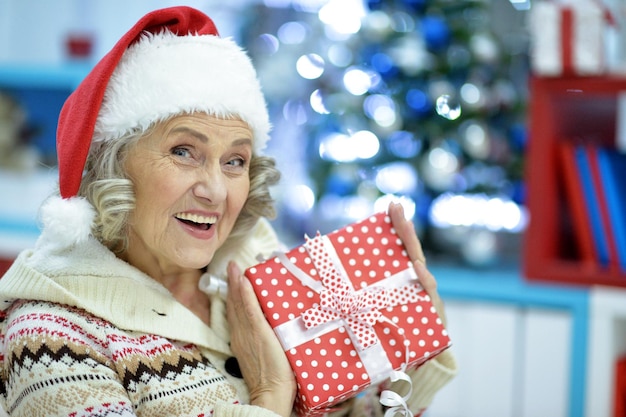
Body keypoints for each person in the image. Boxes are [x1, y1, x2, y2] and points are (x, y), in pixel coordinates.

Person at [0, 6, 457, 417]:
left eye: (235, 160)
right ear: (112, 166)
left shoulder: (263, 271)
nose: (217, 191)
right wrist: (271, 396)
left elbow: (350, 412)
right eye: (183, 151)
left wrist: (410, 363)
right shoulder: (49, 338)